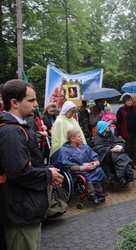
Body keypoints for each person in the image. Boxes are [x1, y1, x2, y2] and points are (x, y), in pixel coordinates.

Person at [0, 79, 64, 250]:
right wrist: (48, 174)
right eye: (31, 100)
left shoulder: (17, 128)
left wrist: (46, 170)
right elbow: (19, 172)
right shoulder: (11, 132)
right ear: (14, 103)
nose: (36, 104)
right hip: (20, 213)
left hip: (24, 209)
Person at [50, 128, 107, 204]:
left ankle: (99, 191)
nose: (81, 138)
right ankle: (91, 194)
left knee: (98, 170)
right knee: (87, 174)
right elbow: (66, 164)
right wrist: (82, 168)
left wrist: (95, 163)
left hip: (89, 167)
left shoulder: (85, 147)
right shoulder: (65, 150)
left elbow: (94, 156)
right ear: (72, 139)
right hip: (77, 170)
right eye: (79, 136)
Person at [91, 121, 135, 187]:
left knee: (121, 154)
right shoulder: (97, 139)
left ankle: (126, 173)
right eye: (107, 126)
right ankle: (123, 175)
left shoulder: (110, 134)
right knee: (118, 156)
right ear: (103, 128)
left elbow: (117, 141)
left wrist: (118, 146)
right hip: (105, 155)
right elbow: (98, 149)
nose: (109, 127)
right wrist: (111, 150)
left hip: (114, 151)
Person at [116, 94, 136, 170]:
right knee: (127, 149)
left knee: (134, 149)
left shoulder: (135, 109)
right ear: (124, 102)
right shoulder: (121, 110)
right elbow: (118, 122)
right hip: (126, 132)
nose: (129, 102)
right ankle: (127, 164)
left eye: (130, 100)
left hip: (135, 131)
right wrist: (119, 133)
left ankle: (134, 163)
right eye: (127, 101)